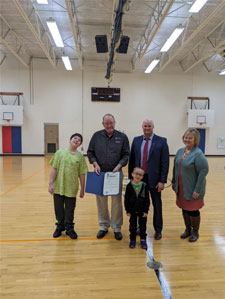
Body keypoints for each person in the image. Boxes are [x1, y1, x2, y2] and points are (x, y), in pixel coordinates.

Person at [87, 114, 130, 240]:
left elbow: (126, 154)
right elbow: (90, 152)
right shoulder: (96, 136)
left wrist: (119, 165)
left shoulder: (122, 137)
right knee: (101, 201)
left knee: (116, 201)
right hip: (100, 174)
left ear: (114, 123)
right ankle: (104, 226)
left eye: (111, 123)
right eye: (107, 123)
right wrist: (95, 164)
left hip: (115, 174)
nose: (109, 125)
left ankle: (117, 227)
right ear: (103, 124)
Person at [129, 119, 169, 240]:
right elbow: (132, 159)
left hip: (155, 179)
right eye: (145, 126)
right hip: (139, 179)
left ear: (153, 127)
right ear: (142, 127)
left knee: (157, 204)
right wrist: (132, 177)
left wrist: (162, 180)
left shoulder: (161, 141)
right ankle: (139, 227)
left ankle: (158, 230)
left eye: (149, 126)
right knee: (138, 204)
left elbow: (165, 162)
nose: (147, 128)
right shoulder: (136, 140)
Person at [172, 128, 209, 242]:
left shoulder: (198, 154)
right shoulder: (180, 151)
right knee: (184, 208)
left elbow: (204, 170)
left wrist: (197, 189)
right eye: (186, 137)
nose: (187, 139)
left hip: (193, 188)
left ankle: (195, 232)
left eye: (190, 138)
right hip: (182, 187)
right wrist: (174, 181)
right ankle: (187, 230)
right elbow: (175, 168)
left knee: (193, 210)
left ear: (195, 140)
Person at [48, 133, 88, 239]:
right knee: (58, 209)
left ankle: (69, 228)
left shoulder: (80, 157)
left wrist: (82, 189)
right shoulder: (60, 153)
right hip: (58, 187)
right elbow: (54, 168)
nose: (76, 140)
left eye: (79, 140)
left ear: (80, 144)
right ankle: (60, 227)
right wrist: (50, 183)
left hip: (72, 188)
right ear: (70, 140)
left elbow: (82, 174)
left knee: (70, 210)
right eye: (75, 138)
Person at [125, 167, 150, 249]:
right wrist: (127, 210)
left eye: (140, 174)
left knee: (143, 226)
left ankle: (143, 240)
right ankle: (132, 239)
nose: (137, 176)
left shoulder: (144, 186)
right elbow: (126, 199)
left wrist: (146, 211)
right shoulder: (129, 186)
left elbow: (147, 199)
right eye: (136, 173)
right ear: (132, 174)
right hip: (132, 210)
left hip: (142, 210)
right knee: (132, 226)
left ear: (142, 177)